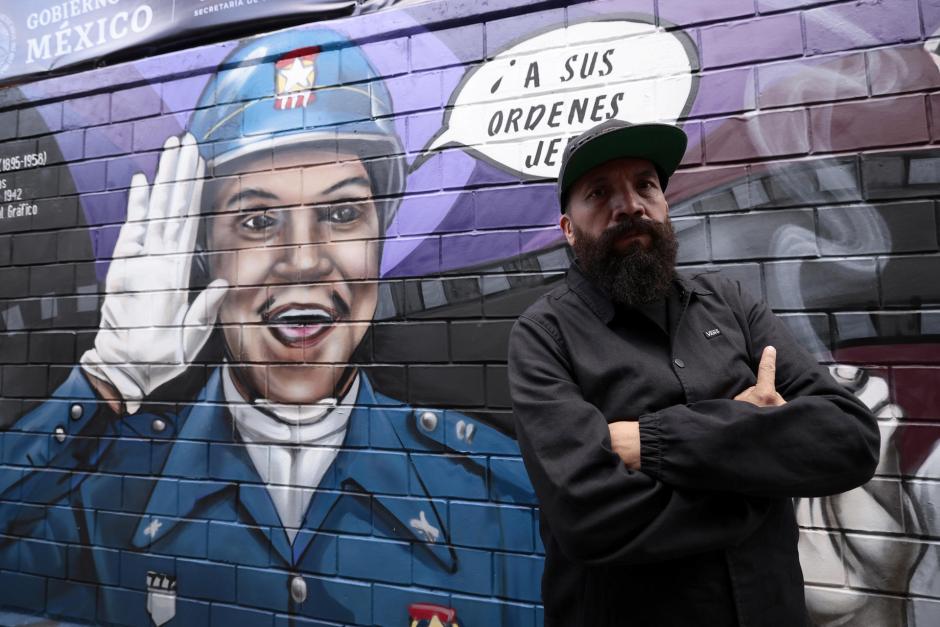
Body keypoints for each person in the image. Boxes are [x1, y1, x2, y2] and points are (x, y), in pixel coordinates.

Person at [0, 28, 533, 627]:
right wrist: (106, 381)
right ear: (204, 256)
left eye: (341, 212)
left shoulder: (497, 497)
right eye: (256, 219)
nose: (303, 259)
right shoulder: (107, 493)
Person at [506, 118, 881, 626]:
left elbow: (849, 439)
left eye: (645, 185)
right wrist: (756, 469)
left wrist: (651, 441)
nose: (630, 206)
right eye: (599, 193)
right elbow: (588, 515)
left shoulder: (730, 304)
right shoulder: (543, 336)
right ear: (568, 230)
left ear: (664, 204)